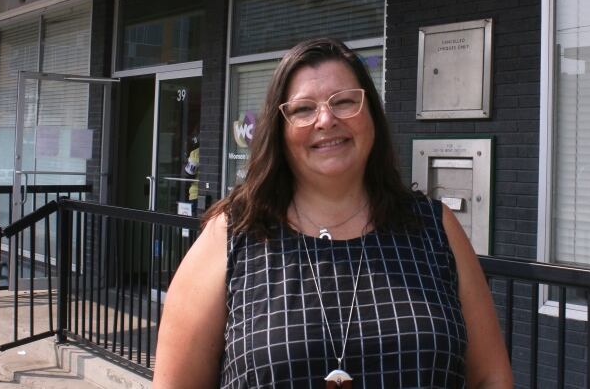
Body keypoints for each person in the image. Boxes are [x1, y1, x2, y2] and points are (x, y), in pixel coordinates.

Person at [153, 38, 512, 389]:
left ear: (371, 114)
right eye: (303, 109)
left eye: (344, 102)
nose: (325, 120)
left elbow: (490, 377)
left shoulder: (434, 228)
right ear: (280, 129)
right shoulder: (233, 234)